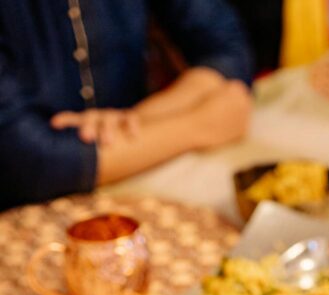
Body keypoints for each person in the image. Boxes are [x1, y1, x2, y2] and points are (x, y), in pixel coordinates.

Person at [0, 0, 254, 211]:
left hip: (135, 184)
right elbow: (24, 159)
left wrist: (132, 121)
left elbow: (227, 50)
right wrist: (197, 126)